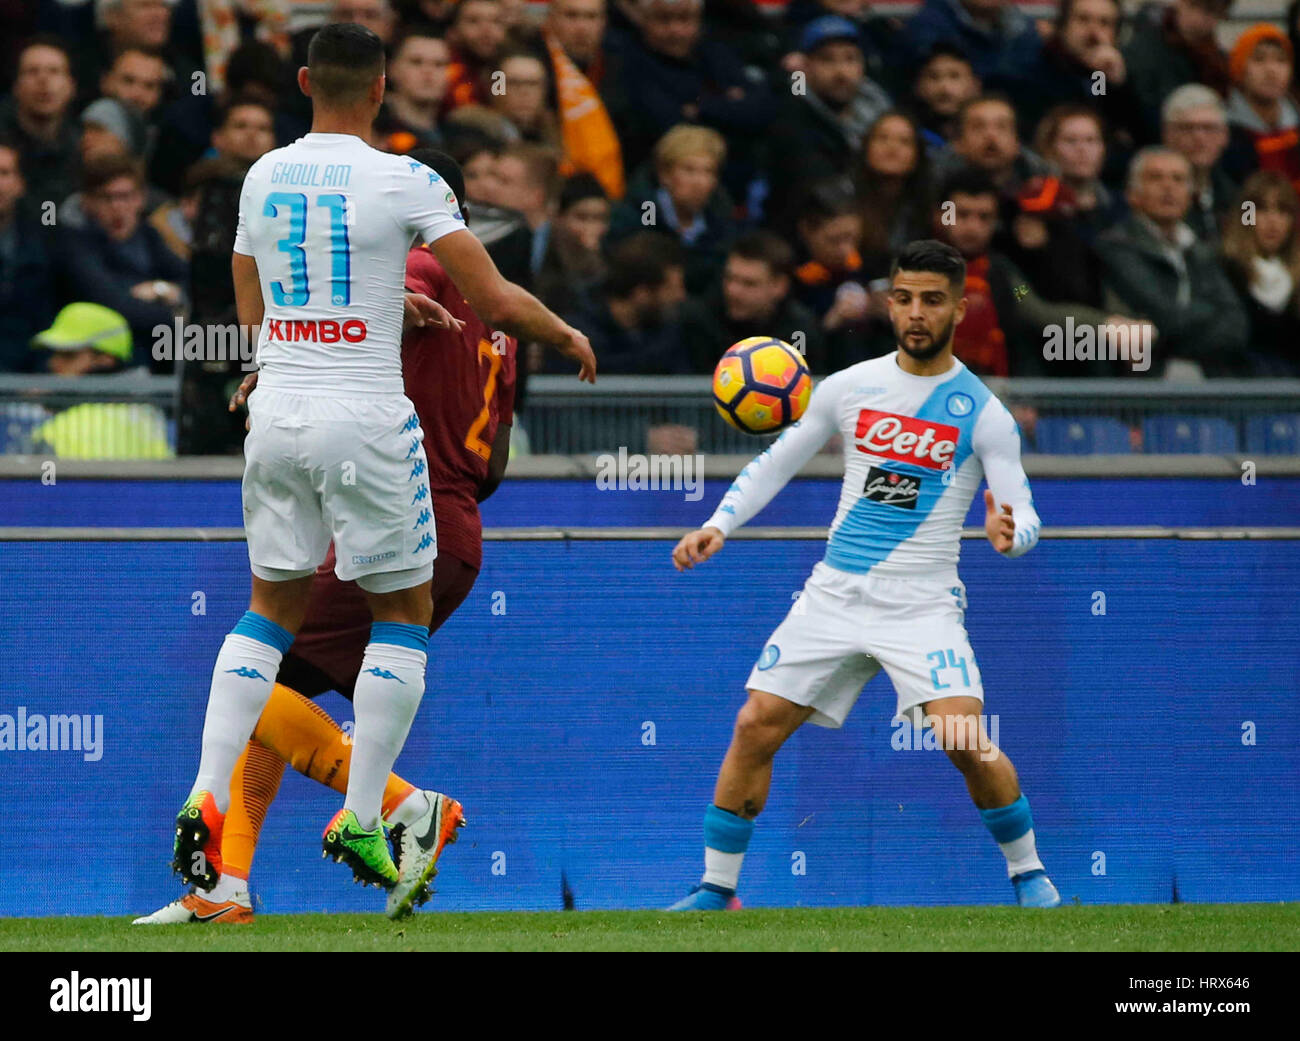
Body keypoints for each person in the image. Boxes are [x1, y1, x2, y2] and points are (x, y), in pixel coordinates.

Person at [172, 23, 594, 904]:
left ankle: (206, 801)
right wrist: (562, 330)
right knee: (399, 617)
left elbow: (246, 281)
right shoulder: (409, 181)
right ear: (380, 93)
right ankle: (371, 811)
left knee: (263, 615)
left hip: (277, 409)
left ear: (301, 81)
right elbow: (486, 294)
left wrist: (268, 356)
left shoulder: (261, 174)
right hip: (365, 422)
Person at [137, 150, 515, 924]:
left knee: (251, 673)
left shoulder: (416, 266)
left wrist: (285, 361)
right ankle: (223, 890)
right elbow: (497, 461)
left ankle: (411, 808)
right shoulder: (500, 321)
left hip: (402, 509)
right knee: (273, 689)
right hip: (456, 524)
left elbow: (401, 290)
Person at [666, 239, 1061, 912]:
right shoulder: (849, 388)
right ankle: (717, 890)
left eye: (932, 300)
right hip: (835, 594)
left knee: (963, 737)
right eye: (904, 297)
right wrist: (719, 523)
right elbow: (777, 460)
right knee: (755, 721)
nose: (916, 313)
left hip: (921, 603)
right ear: (888, 302)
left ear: (959, 309)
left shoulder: (983, 413)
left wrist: (1011, 535)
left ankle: (1030, 877)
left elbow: (1023, 511)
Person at [1097, 146, 1249, 377]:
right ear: (1132, 194)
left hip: (1210, 380)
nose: (1168, 187)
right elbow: (1164, 315)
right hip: (1143, 384)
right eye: (1155, 178)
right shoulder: (1115, 246)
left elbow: (1236, 323)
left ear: (1190, 195)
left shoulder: (1201, 250)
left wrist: (1169, 342)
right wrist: (1210, 315)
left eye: (1178, 179)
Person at [56, 154, 187, 371]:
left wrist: (160, 289)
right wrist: (179, 315)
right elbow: (116, 305)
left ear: (141, 199)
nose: (117, 207)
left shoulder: (148, 235)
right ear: (87, 202)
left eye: (126, 196)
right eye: (106, 198)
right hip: (98, 364)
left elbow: (190, 281)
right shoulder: (74, 244)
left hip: (156, 356)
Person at [680, 231, 828, 374]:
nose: (733, 291)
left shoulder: (800, 331)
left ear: (779, 286)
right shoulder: (696, 321)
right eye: (730, 278)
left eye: (749, 283)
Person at [1220, 169, 1300, 376]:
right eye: (1262, 210)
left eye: (1283, 211)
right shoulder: (1226, 268)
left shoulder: (1297, 277)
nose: (1273, 221)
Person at [1123, 0, 1232, 142]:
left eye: (1217, 12)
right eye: (1201, 7)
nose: (1207, 19)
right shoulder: (1143, 50)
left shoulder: (1217, 59)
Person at [0, 37, 81, 217]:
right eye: (32, 71)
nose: (43, 80)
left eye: (54, 71)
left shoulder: (83, 146)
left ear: (71, 86)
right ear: (17, 87)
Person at [1222, 24, 1300, 195]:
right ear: (1240, 69)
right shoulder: (1224, 135)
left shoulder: (1295, 128)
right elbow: (1242, 206)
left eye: (1281, 60)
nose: (1271, 70)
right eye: (1259, 59)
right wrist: (1248, 222)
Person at [0, 142, 56, 373]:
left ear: (20, 184)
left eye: (4, 173)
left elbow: (48, 320)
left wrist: (44, 372)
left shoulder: (45, 245)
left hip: (29, 385)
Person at [1161, 84, 1236, 243]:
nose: (1199, 138)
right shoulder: (1156, 197)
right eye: (1187, 128)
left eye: (1209, 128)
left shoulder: (1237, 196)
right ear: (1167, 134)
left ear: (1225, 136)